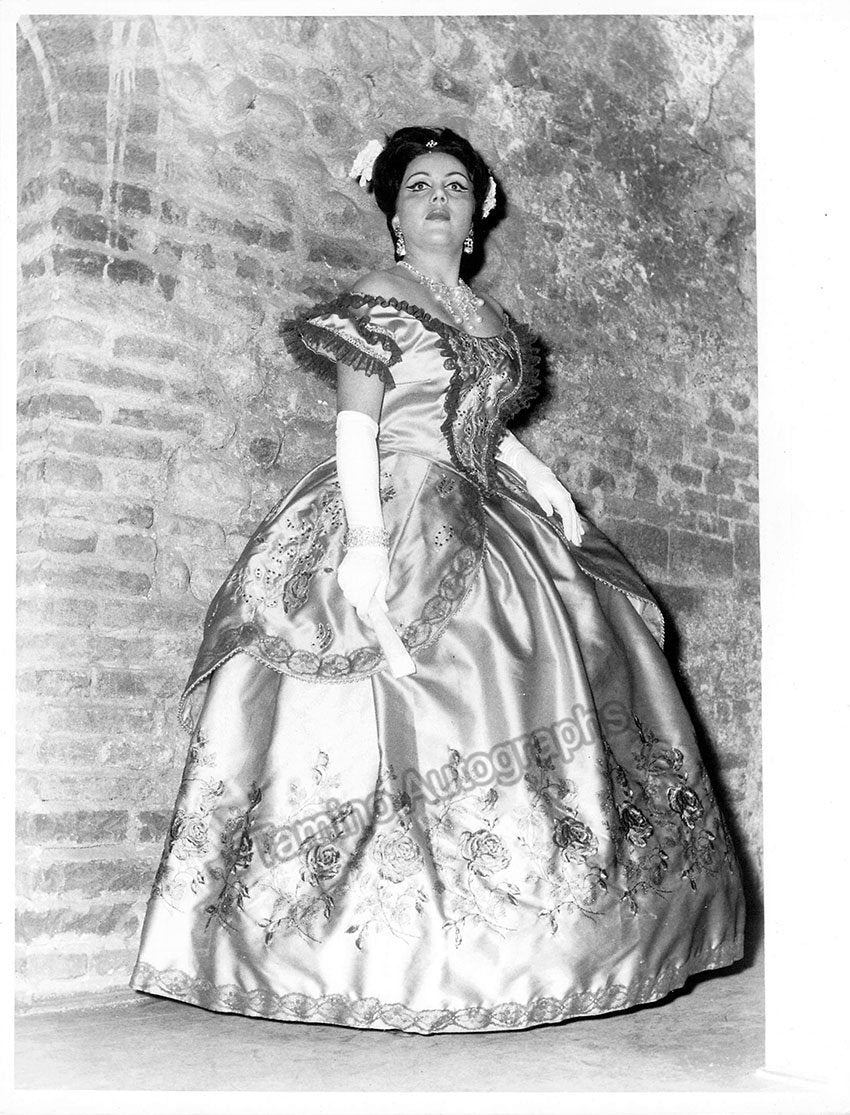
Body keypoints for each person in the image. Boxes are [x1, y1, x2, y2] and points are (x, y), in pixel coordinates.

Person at [129, 125, 745, 1034]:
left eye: (455, 185)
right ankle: (361, 955)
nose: (437, 200)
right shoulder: (382, 294)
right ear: (393, 211)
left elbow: (479, 423)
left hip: (489, 506)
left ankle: (538, 944)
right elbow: (359, 426)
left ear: (478, 210)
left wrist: (543, 479)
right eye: (417, 185)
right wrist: (367, 540)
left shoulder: (485, 316)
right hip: (395, 501)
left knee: (555, 672)